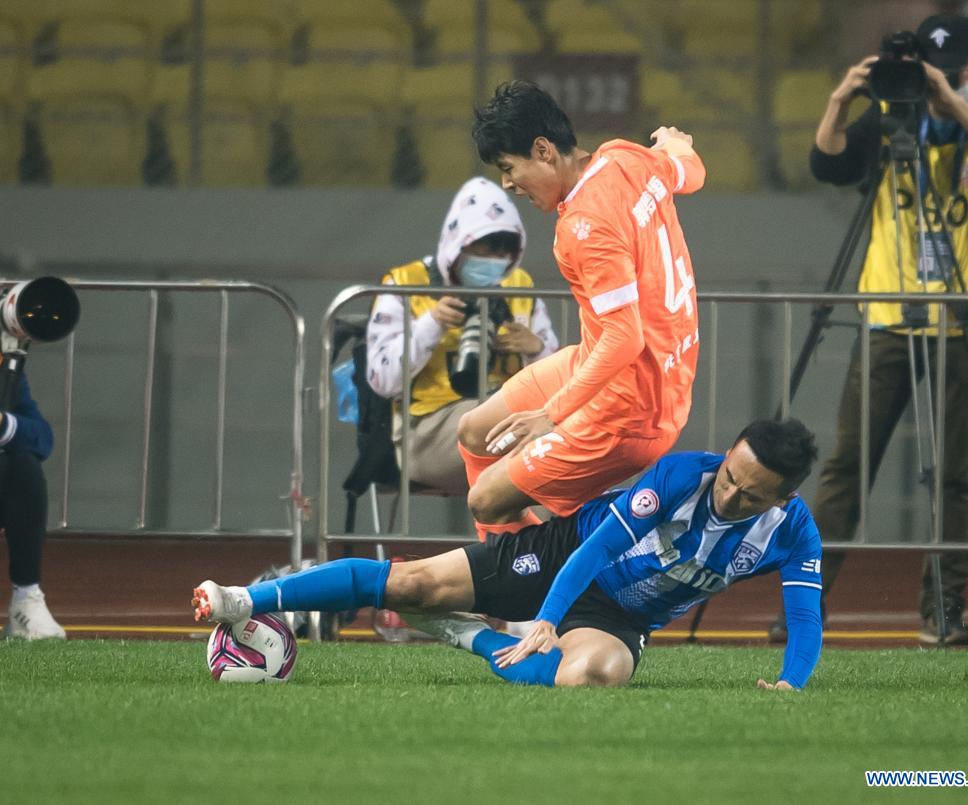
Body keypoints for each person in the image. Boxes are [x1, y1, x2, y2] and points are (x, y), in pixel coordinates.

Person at [193, 419, 823, 690]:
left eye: (750, 495)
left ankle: (464, 634)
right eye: (731, 476)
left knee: (591, 677)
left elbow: (804, 618)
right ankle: (244, 599)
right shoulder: (683, 475)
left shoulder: (792, 534)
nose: (730, 494)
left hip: (621, 616)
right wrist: (547, 616)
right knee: (415, 585)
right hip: (565, 553)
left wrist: (790, 684)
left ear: (783, 498)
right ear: (728, 455)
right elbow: (600, 546)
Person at [769, 13, 968, 647]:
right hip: (886, 317)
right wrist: (839, 100)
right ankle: (804, 605)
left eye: (953, 71)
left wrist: (950, 103)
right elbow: (827, 165)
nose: (940, 82)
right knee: (846, 469)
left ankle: (943, 610)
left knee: (956, 476)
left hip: (964, 320)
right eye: (932, 73)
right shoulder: (888, 121)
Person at [456, 81, 706, 541]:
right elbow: (690, 171)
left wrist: (551, 415)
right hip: (626, 372)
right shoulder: (625, 157)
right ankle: (520, 571)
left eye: (509, 168)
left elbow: (624, 337)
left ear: (543, 150)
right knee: (474, 432)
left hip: (631, 409)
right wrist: (674, 144)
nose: (507, 184)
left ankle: (534, 578)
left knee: (485, 501)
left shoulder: (585, 227)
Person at [365, 176, 558, 496]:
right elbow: (382, 380)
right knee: (537, 445)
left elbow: (556, 382)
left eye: (504, 251)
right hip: (428, 430)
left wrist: (535, 349)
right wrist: (431, 325)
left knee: (549, 437)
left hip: (510, 420)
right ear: (459, 241)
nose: (495, 259)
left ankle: (538, 531)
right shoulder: (406, 283)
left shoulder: (519, 285)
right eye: (486, 247)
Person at [1, 372, 64, 640]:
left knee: (22, 467)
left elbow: (43, 438)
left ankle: (26, 599)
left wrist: (3, 424)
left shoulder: (6, 369)